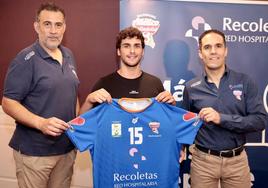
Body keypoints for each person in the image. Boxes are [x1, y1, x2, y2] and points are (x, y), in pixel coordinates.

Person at [2, 2, 79, 188]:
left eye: (58, 25)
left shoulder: (68, 55)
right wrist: (41, 123)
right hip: (35, 154)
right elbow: (8, 102)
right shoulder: (25, 59)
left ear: (64, 28)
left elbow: (72, 93)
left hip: (66, 150)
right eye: (47, 24)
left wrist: (76, 124)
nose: (53, 30)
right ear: (37, 27)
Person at [182, 29, 267, 188]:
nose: (213, 51)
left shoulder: (245, 81)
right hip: (203, 162)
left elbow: (260, 121)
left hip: (237, 162)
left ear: (225, 50)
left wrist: (221, 118)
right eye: (207, 47)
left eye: (218, 46)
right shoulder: (191, 87)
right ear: (200, 53)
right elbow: (184, 124)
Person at [79, 26, 175, 114]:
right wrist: (88, 101)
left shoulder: (155, 83)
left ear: (143, 51)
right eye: (126, 46)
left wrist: (172, 105)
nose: (132, 51)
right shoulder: (104, 84)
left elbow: (168, 119)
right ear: (118, 51)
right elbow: (81, 123)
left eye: (137, 46)